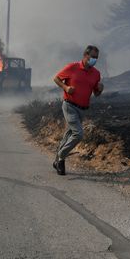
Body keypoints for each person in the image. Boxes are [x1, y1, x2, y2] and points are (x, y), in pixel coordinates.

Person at [52, 45, 104, 175]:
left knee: (69, 133)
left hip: (82, 109)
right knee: (78, 134)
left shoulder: (96, 74)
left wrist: (100, 89)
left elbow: (96, 93)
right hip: (69, 105)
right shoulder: (72, 67)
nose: (94, 60)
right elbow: (56, 78)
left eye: (96, 58)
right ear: (85, 55)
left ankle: (58, 161)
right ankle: (61, 155)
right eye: (92, 57)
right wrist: (65, 87)